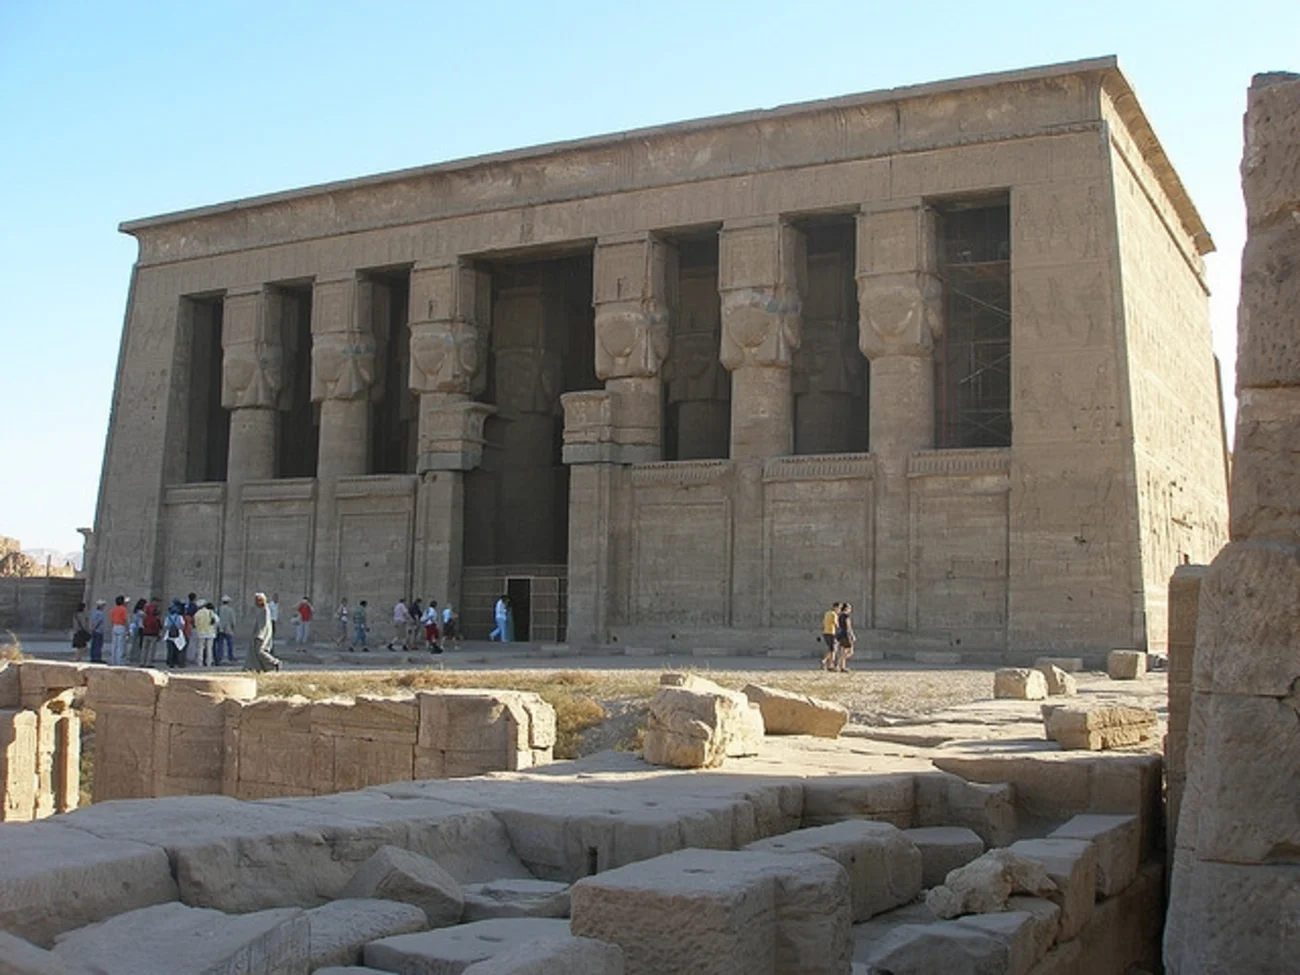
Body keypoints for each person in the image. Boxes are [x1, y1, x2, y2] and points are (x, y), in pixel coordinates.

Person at [246, 592, 282, 672]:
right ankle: (258, 668)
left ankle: (274, 662)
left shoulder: (265, 610)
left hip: (262, 635)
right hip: (259, 634)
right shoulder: (262, 610)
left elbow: (264, 624)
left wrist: (260, 635)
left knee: (260, 651)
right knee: (255, 652)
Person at [193, 600, 218, 667]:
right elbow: (216, 621)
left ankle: (200, 662)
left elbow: (195, 624)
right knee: (209, 648)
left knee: (200, 648)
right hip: (210, 633)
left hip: (201, 633)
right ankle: (209, 662)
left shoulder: (197, 614)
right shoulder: (210, 612)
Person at [164, 600, 187, 668]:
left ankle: (171, 663)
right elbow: (182, 626)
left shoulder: (167, 617)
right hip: (178, 635)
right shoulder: (180, 617)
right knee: (179, 649)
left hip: (169, 635)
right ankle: (180, 663)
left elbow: (166, 626)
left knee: (170, 650)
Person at [834, 601, 856, 673]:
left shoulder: (839, 616)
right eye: (849, 608)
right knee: (850, 651)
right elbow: (849, 627)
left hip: (840, 634)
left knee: (843, 651)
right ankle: (840, 665)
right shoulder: (846, 616)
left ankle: (841, 666)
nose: (850, 609)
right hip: (846, 634)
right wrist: (852, 635)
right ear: (846, 608)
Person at [139, 597, 162, 668]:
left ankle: (142, 662)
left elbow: (143, 624)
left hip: (145, 633)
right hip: (153, 634)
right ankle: (148, 663)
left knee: (144, 648)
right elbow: (157, 626)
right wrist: (159, 633)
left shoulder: (145, 617)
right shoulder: (155, 619)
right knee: (151, 649)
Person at [215, 596, 237, 665]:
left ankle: (219, 657)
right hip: (228, 629)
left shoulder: (218, 609)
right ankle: (230, 656)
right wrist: (233, 627)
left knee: (220, 644)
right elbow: (233, 620)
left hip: (220, 629)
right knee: (229, 644)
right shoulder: (230, 610)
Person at [108, 595, 129, 666]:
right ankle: (119, 661)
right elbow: (125, 619)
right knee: (120, 645)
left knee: (114, 645)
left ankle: (113, 660)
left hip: (115, 626)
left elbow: (111, 619)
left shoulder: (113, 609)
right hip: (121, 626)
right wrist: (128, 629)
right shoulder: (124, 609)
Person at [821, 602, 841, 671]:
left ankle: (825, 661)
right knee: (833, 650)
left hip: (826, 632)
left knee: (831, 649)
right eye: (839, 608)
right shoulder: (834, 614)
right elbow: (836, 624)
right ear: (835, 607)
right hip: (831, 633)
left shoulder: (827, 613)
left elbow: (824, 622)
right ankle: (830, 665)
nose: (839, 610)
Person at [129, 598, 147, 665]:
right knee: (139, 644)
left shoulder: (135, 612)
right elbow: (146, 616)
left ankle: (132, 657)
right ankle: (136, 657)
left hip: (135, 627)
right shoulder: (141, 612)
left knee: (134, 643)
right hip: (140, 628)